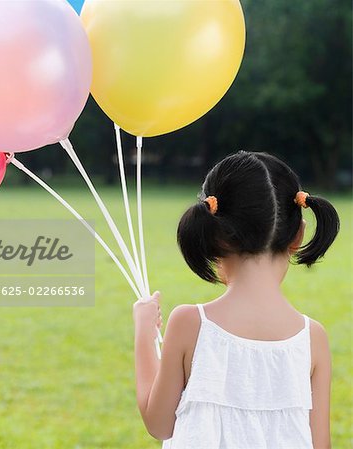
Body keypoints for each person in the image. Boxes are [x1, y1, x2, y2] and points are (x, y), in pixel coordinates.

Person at [133, 151, 339, 449]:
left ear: (213, 233)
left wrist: (143, 331)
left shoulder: (190, 323)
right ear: (298, 235)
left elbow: (159, 424)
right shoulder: (313, 338)